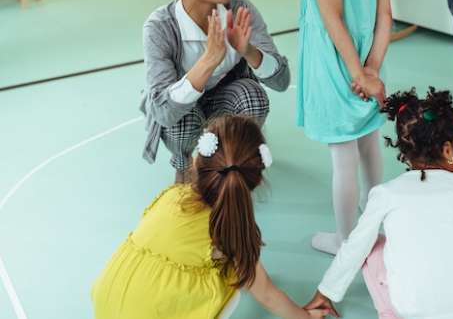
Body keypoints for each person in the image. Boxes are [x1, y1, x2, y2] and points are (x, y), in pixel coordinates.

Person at [93, 115, 328, 319]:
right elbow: (265, 292)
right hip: (151, 310)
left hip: (108, 300)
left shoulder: (173, 195)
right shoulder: (229, 228)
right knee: (233, 279)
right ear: (255, 180)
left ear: (197, 160)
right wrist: (305, 316)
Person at [305, 88, 453, 319]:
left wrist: (326, 291)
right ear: (448, 150)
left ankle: (390, 314)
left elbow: (355, 247)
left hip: (412, 310)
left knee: (371, 244)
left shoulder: (386, 193)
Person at [293, 0, 393, 256]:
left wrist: (356, 73)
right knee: (368, 146)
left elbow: (333, 22)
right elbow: (384, 17)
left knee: (343, 159)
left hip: (339, 76)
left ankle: (347, 240)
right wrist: (372, 69)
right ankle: (378, 226)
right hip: (364, 75)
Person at [140, 0, 290, 181]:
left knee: (253, 97)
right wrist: (210, 59)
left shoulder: (240, 9)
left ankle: (231, 159)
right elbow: (163, 112)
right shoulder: (159, 27)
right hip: (181, 115)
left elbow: (281, 81)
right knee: (182, 125)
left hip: (225, 99)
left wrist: (248, 50)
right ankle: (185, 164)